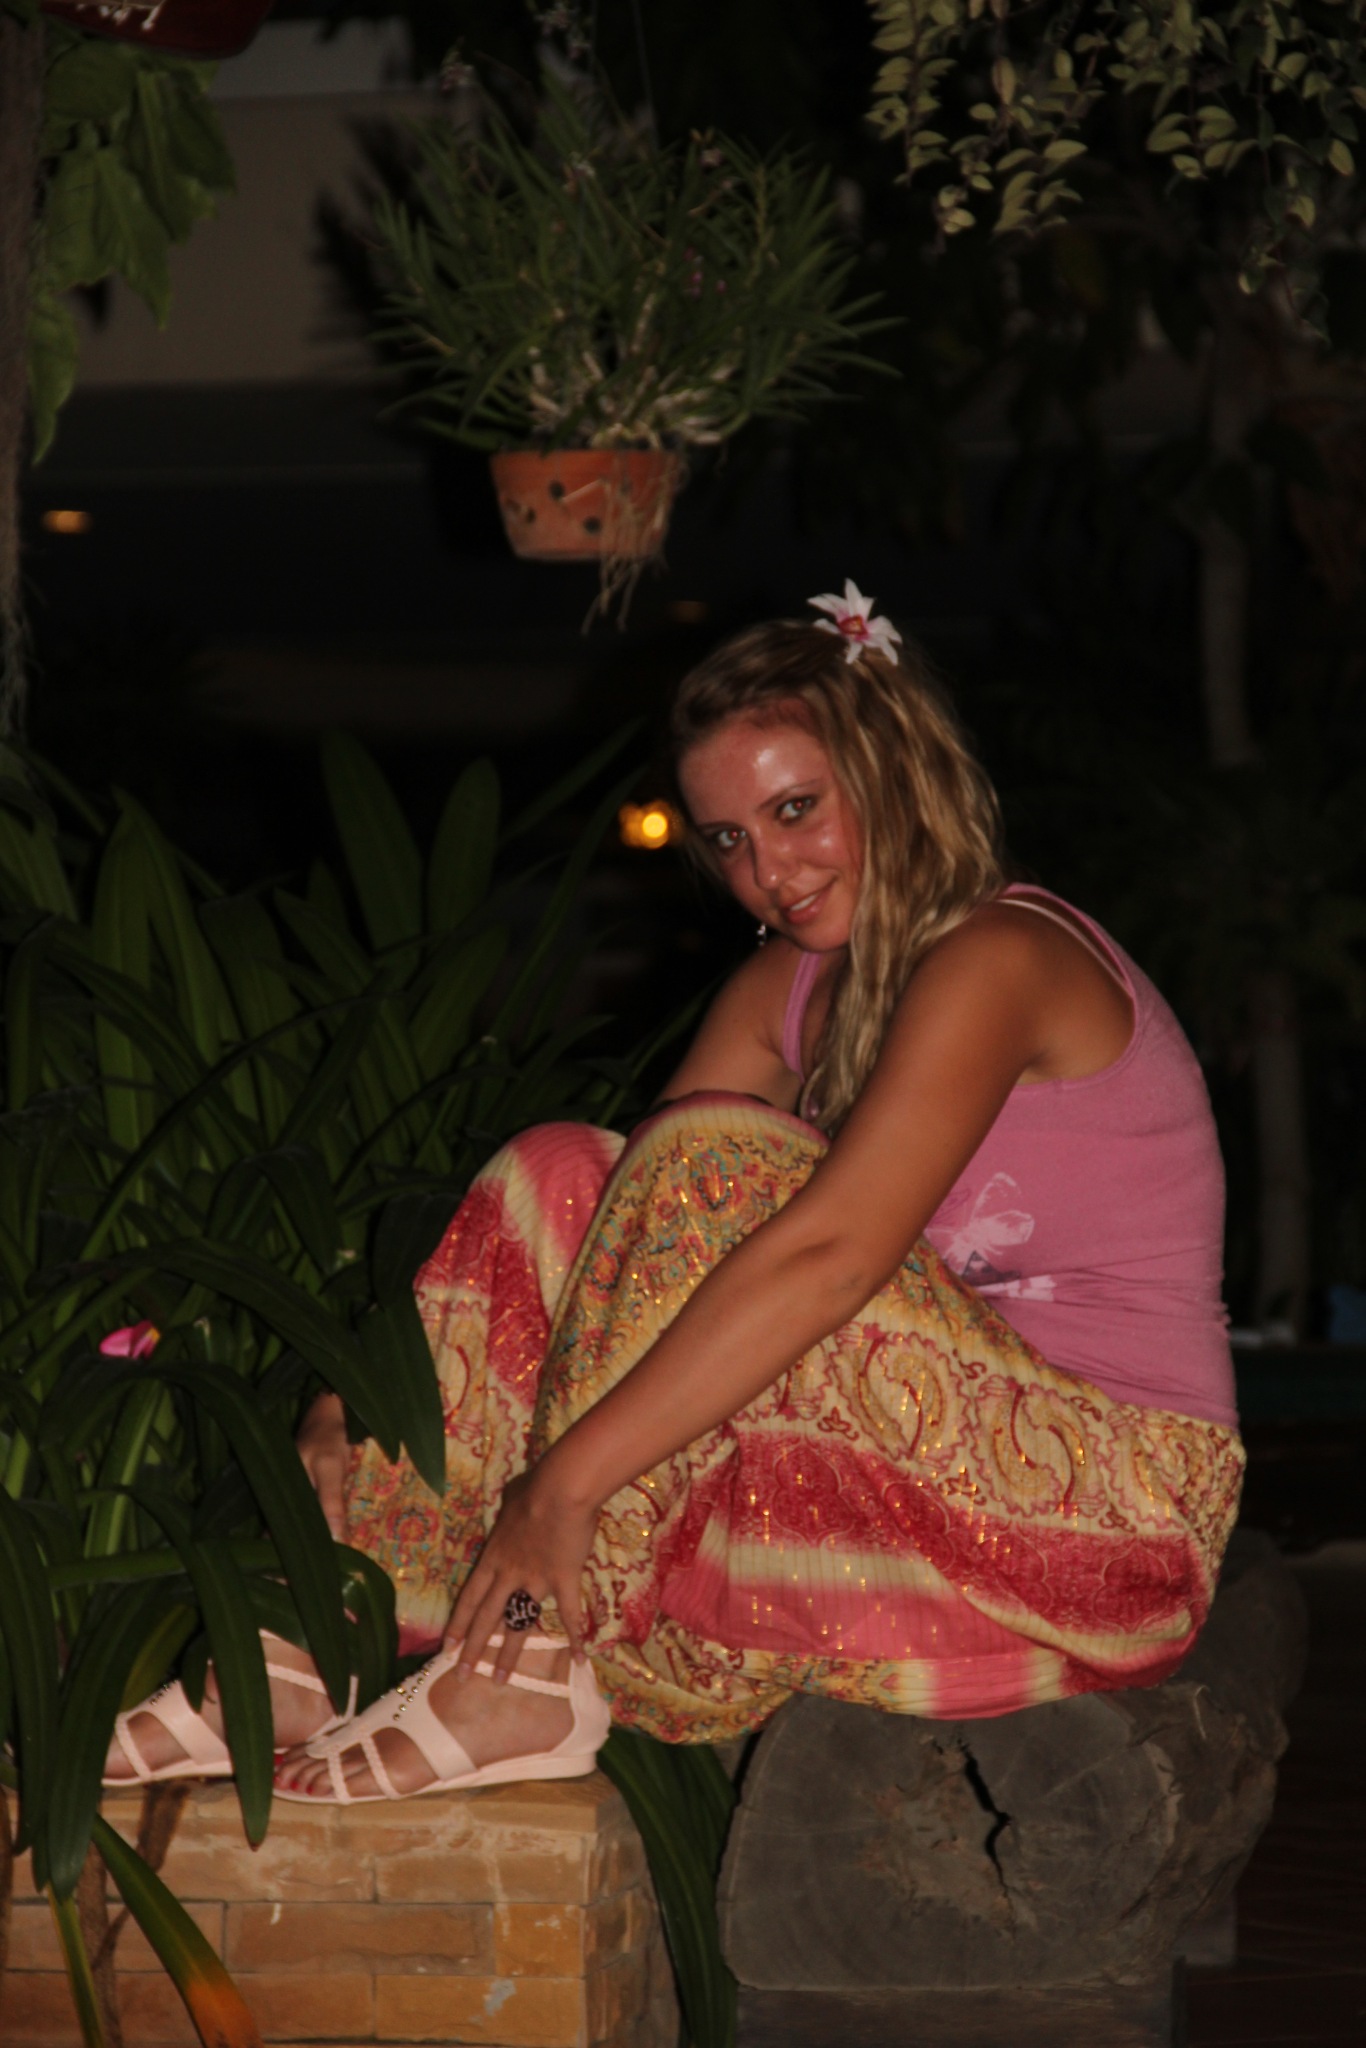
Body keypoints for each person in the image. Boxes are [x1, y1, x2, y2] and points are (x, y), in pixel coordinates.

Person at [105, 582, 1244, 1804]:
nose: (768, 871)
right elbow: (620, 1239)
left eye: (796, 808)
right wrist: (357, 1396)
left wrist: (560, 1490)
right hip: (902, 1474)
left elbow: (827, 1254)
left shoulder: (1004, 953)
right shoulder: (782, 988)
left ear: (899, 770)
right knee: (560, 1168)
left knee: (717, 1161)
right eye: (728, 839)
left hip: (1108, 1512)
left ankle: (520, 1661)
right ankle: (298, 1642)